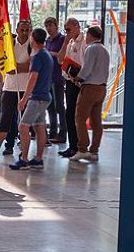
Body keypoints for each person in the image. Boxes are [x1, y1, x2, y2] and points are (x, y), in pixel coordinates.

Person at [9, 28, 53, 171]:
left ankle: (24, 159)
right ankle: (38, 159)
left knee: (23, 126)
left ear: (33, 39)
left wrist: (24, 99)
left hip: (37, 97)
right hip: (44, 95)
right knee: (39, 127)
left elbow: (33, 78)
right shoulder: (46, 54)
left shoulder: (38, 56)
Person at [0, 20, 32, 159]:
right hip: (9, 88)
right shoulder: (9, 44)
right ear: (17, 30)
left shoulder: (32, 45)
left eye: (27, 30)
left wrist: (16, 67)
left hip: (26, 89)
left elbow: (30, 66)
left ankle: (24, 152)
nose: (25, 33)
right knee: (4, 120)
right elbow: (4, 66)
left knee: (25, 123)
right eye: (22, 30)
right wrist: (15, 67)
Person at [69, 26, 110, 162]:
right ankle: (94, 150)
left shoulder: (91, 49)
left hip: (90, 88)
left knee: (79, 117)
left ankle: (82, 149)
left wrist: (77, 77)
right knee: (96, 120)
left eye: (87, 35)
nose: (85, 38)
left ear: (90, 36)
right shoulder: (105, 50)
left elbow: (87, 68)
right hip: (101, 88)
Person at [57, 18, 85, 158]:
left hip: (79, 82)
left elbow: (84, 63)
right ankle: (72, 145)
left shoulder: (84, 42)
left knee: (75, 114)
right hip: (69, 80)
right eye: (65, 30)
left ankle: (79, 146)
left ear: (76, 26)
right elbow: (60, 59)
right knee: (69, 114)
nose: (66, 32)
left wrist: (79, 76)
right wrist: (65, 41)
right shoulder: (70, 42)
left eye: (68, 29)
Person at [44, 17, 67, 143]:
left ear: (56, 26)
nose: (48, 28)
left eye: (50, 25)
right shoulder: (47, 40)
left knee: (59, 106)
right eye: (46, 26)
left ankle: (63, 133)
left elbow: (62, 56)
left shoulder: (62, 39)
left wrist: (53, 54)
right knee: (50, 107)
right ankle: (52, 132)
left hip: (58, 77)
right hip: (48, 77)